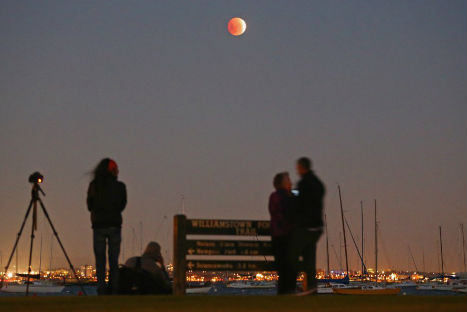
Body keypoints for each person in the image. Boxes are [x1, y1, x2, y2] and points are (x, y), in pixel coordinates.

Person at [87, 158, 127, 295]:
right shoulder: (120, 187)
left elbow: (89, 205)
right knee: (113, 260)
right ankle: (114, 289)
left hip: (98, 226)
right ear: (112, 170)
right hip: (115, 225)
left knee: (100, 260)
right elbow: (122, 205)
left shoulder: (94, 186)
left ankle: (101, 289)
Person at [287, 157, 325, 295]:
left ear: (302, 168)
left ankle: (294, 285)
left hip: (305, 226)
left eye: (298, 168)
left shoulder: (304, 184)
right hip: (317, 227)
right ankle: (311, 286)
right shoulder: (318, 183)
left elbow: (298, 204)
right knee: (309, 256)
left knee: (292, 254)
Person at [268, 172, 295, 294]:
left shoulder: (274, 197)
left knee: (282, 266)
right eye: (288, 180)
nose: (291, 182)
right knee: (288, 265)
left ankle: (283, 291)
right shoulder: (286, 197)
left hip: (277, 236)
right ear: (283, 183)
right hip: (286, 236)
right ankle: (288, 291)